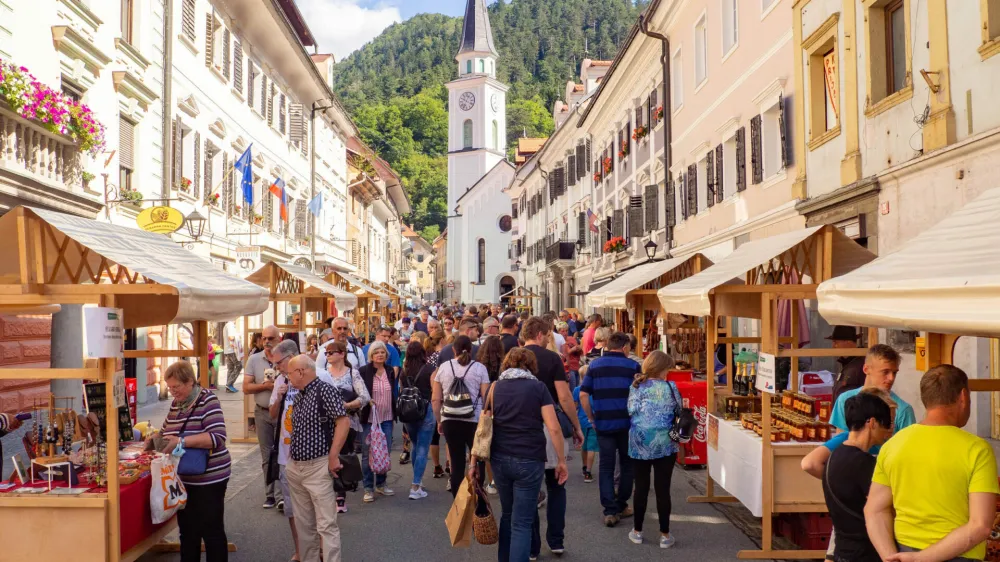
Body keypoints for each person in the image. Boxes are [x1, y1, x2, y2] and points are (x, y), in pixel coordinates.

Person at [865, 365, 999, 561]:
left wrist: (890, 556)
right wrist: (921, 558)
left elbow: (874, 510)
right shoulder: (977, 449)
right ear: (963, 397)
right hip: (960, 554)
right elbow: (981, 525)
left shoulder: (893, 445)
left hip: (903, 552)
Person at [475, 347, 569, 562]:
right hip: (530, 458)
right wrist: (561, 460)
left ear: (507, 363)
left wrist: (473, 462)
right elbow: (554, 428)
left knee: (507, 515)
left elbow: (482, 427)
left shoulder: (494, 387)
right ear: (531, 365)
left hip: (500, 458)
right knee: (522, 521)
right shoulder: (538, 388)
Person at [522, 317, 584, 555]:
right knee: (557, 484)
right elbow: (564, 396)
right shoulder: (552, 358)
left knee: (529, 490)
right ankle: (556, 540)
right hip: (550, 426)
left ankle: (532, 546)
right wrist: (576, 426)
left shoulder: (513, 358)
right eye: (548, 335)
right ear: (540, 334)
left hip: (522, 428)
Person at [268, 341, 336, 560]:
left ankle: (324, 553)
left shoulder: (322, 379)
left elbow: (340, 417)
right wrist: (279, 397)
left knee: (323, 516)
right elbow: (273, 415)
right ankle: (304, 553)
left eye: (279, 363)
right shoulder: (285, 383)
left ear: (294, 362)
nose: (278, 368)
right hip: (289, 459)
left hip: (318, 459)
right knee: (298, 515)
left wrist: (333, 455)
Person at [158, 360, 231, 562]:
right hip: (184, 479)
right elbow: (165, 431)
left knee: (211, 531)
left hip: (210, 477)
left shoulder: (208, 400)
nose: (172, 392)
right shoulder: (177, 404)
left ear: (190, 381)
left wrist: (181, 441)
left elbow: (217, 438)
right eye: (170, 387)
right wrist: (153, 439)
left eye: (176, 387)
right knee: (188, 531)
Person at [283, 355, 351, 562]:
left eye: (289, 373)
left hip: (318, 466)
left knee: (326, 524)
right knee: (304, 526)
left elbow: (343, 421)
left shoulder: (325, 390)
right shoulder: (300, 395)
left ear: (300, 372)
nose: (288, 378)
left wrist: (333, 456)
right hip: (297, 467)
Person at [815, 391, 893, 562]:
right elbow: (884, 507)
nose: (889, 431)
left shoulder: (834, 456)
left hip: (842, 551)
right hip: (864, 552)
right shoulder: (864, 464)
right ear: (872, 423)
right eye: (886, 424)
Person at [580, 331, 642, 527]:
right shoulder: (633, 366)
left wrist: (591, 417)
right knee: (627, 465)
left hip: (603, 423)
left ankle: (609, 510)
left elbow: (583, 394)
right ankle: (621, 504)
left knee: (606, 467)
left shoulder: (594, 365)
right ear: (624, 347)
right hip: (627, 424)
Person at [626, 351, 680, 549]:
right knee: (663, 489)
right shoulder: (670, 387)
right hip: (665, 442)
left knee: (640, 487)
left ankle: (637, 531)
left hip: (639, 442)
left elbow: (630, 410)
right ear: (662, 369)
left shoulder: (636, 386)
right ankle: (665, 535)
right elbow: (679, 410)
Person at [432, 335, 490, 497]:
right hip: (473, 419)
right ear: (471, 350)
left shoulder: (444, 367)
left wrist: (439, 420)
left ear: (453, 350)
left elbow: (436, 399)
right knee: (478, 459)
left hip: (450, 418)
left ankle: (458, 503)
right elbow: (486, 399)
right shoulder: (479, 368)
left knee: (456, 462)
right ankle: (477, 500)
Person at [322, 340, 370, 513]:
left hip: (346, 421)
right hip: (326, 422)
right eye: (326, 353)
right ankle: (328, 492)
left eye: (331, 352)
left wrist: (347, 405)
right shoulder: (323, 374)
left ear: (342, 354)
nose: (328, 355)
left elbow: (364, 397)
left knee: (341, 455)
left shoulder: (352, 373)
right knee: (325, 456)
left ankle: (341, 494)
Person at [830, 345, 914, 437]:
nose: (891, 378)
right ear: (866, 369)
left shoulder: (903, 409)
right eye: (885, 372)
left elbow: (909, 444)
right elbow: (840, 439)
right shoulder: (845, 400)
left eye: (894, 373)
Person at [244, 325, 283, 509]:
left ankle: (281, 495)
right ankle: (270, 495)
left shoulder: (285, 359)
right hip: (262, 412)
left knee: (282, 453)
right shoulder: (254, 359)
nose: (267, 342)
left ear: (279, 339)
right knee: (267, 455)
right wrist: (265, 386)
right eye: (264, 338)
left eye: (270, 338)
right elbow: (246, 387)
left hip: (282, 412)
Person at [357, 341, 398, 502]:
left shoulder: (390, 371)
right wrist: (366, 401)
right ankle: (368, 488)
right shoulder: (364, 371)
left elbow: (393, 391)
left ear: (386, 355)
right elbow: (359, 392)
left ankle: (381, 484)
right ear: (371, 355)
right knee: (367, 454)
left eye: (382, 352)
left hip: (387, 417)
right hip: (369, 419)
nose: (379, 355)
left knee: (385, 451)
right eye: (376, 352)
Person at [400, 341, 437, 500]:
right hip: (426, 409)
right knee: (423, 448)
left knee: (416, 445)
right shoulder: (430, 369)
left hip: (408, 412)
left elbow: (402, 390)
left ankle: (418, 480)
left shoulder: (404, 370)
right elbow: (435, 391)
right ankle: (415, 485)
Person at [423, 334, 448, 479]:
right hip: (447, 399)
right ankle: (449, 464)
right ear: (442, 340)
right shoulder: (445, 357)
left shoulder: (430, 358)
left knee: (434, 437)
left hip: (434, 398)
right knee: (449, 437)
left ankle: (437, 466)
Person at [828, 326, 866, 401]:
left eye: (836, 342)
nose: (833, 346)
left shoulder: (862, 365)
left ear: (848, 342)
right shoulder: (845, 363)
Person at [572, 364, 596, 483]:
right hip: (593, 420)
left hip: (581, 420)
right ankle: (588, 472)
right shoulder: (595, 389)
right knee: (592, 447)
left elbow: (574, 407)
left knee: (584, 446)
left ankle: (584, 466)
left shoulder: (577, 390)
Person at [558, 322, 582, 388]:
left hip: (577, 366)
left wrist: (579, 349)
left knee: (577, 388)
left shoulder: (572, 338)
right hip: (569, 368)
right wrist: (572, 350)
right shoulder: (559, 340)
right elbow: (563, 355)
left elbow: (580, 352)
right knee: (573, 389)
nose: (565, 333)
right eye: (563, 331)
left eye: (566, 331)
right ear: (558, 332)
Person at [222, 320, 243, 393]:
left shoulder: (226, 325)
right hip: (232, 350)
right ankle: (229, 384)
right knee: (239, 366)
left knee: (230, 368)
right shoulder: (230, 325)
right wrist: (238, 336)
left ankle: (228, 387)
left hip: (227, 350)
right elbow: (231, 337)